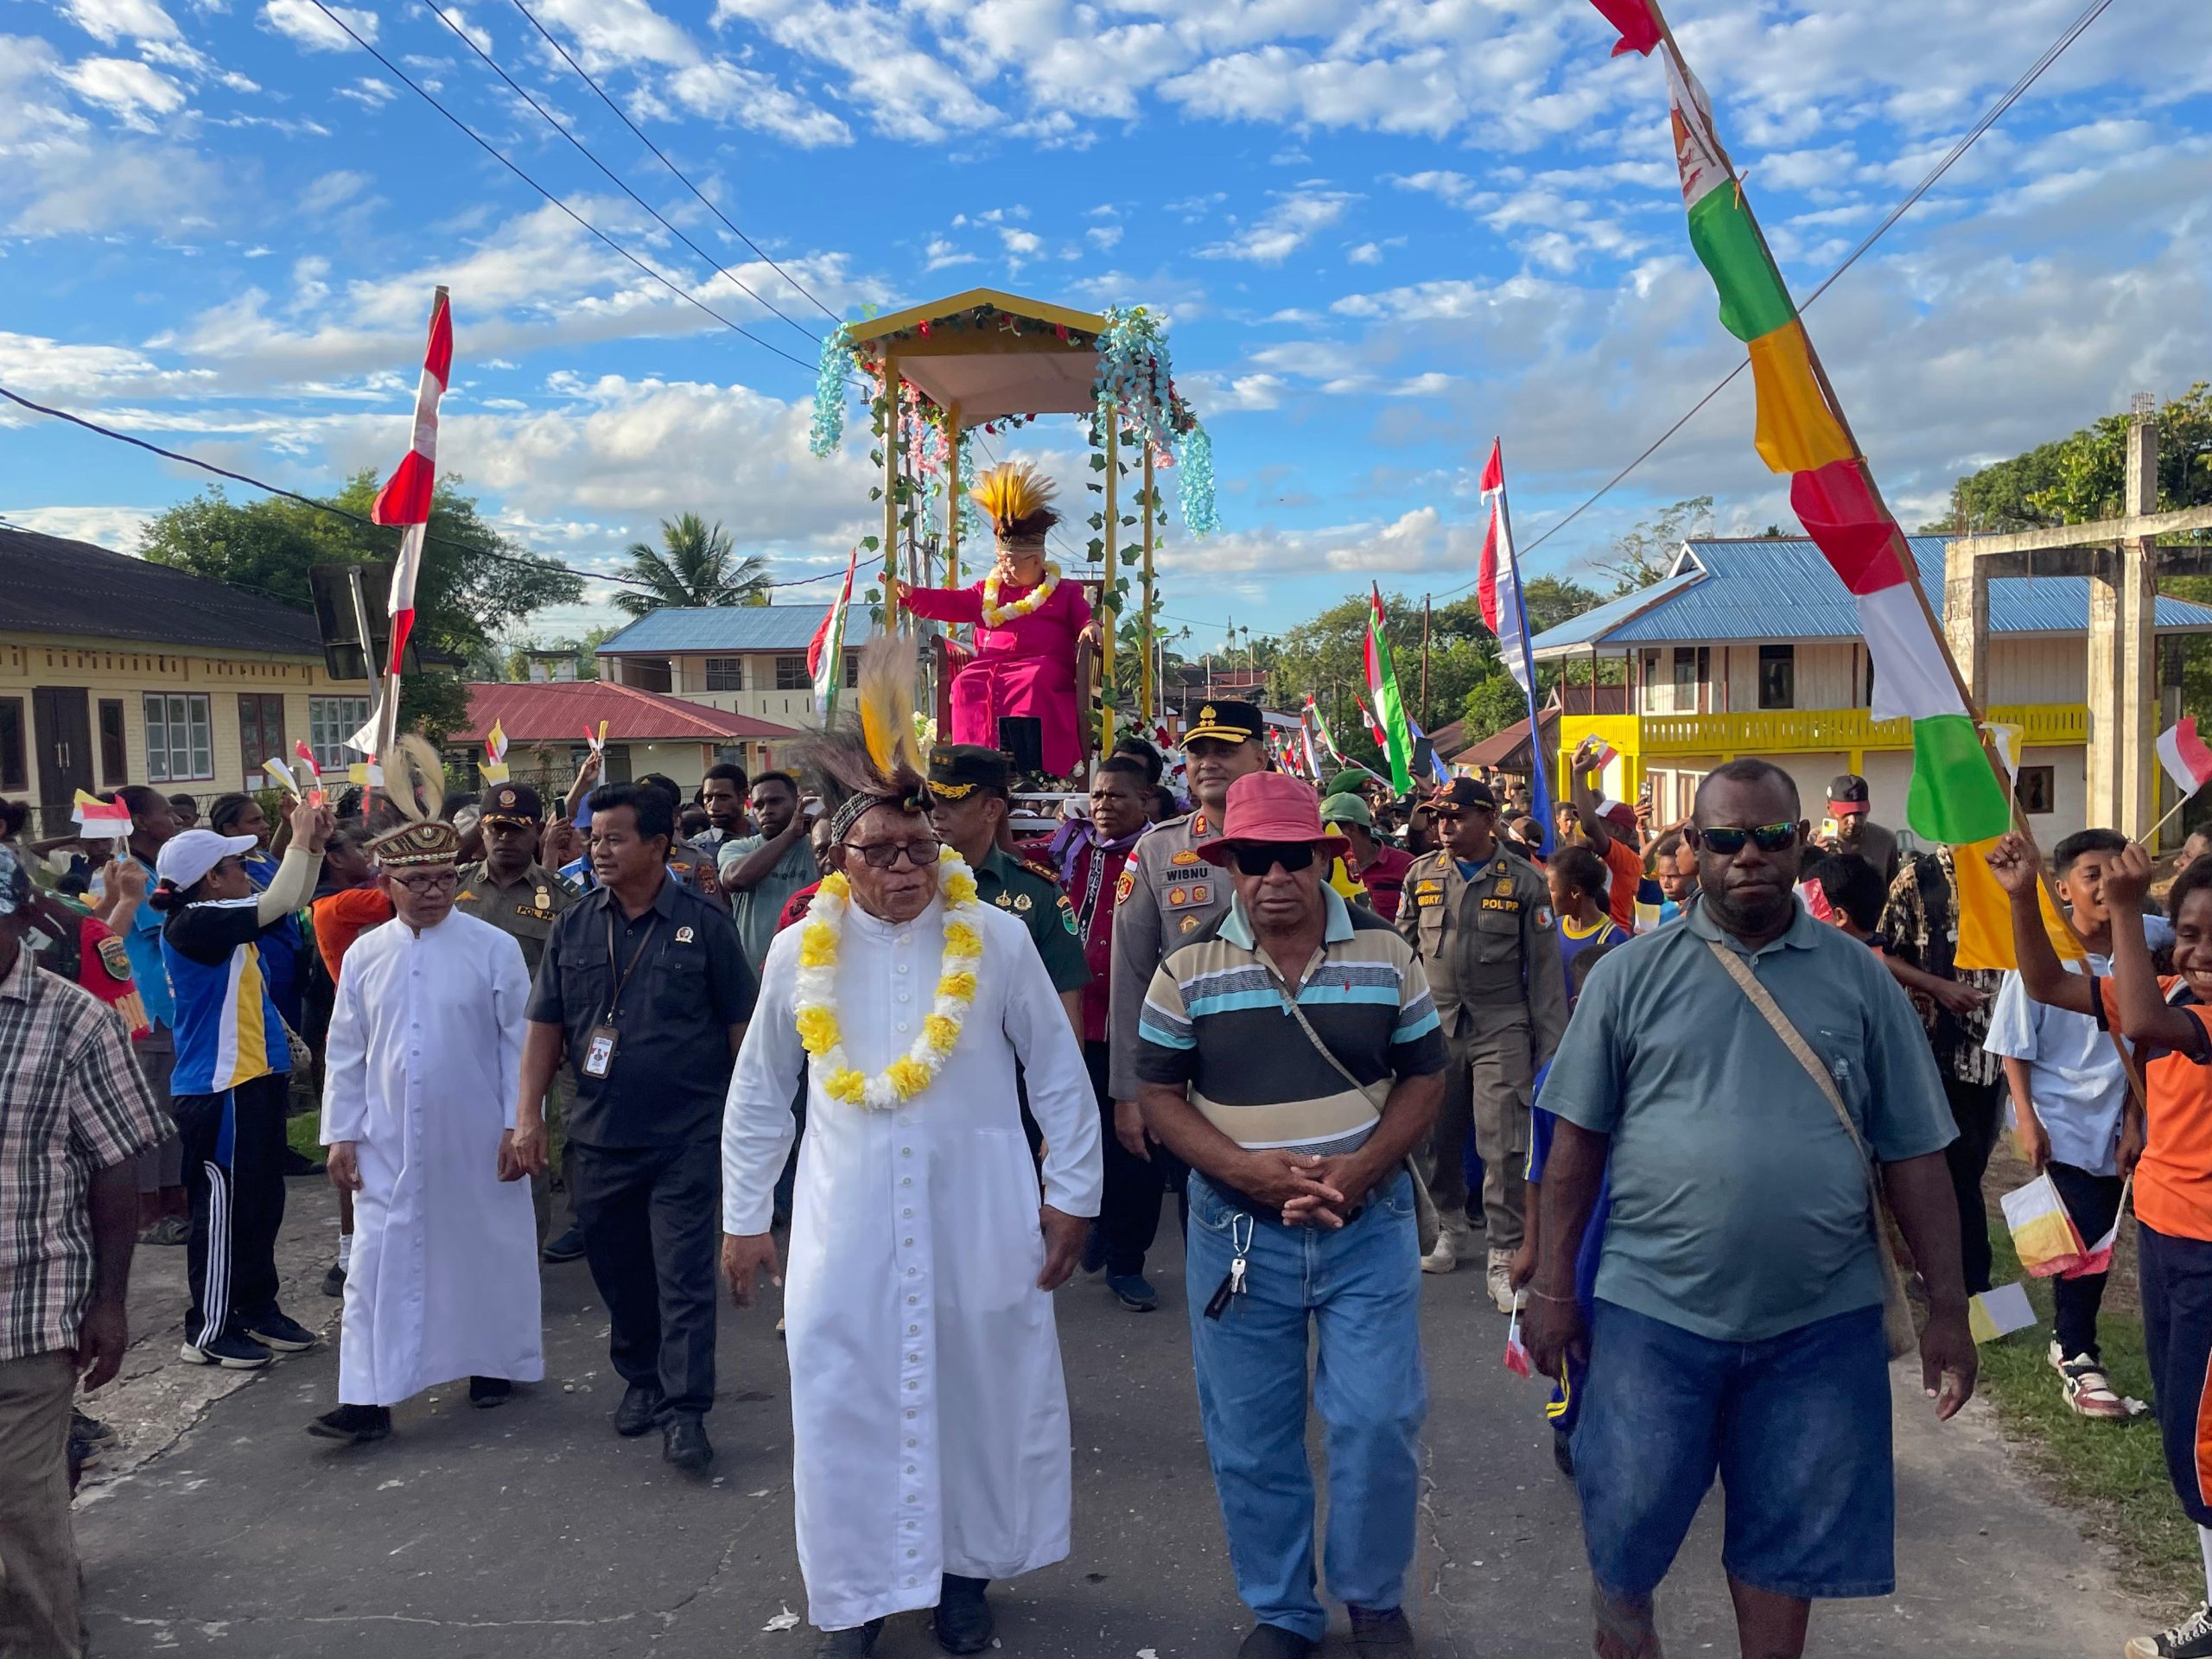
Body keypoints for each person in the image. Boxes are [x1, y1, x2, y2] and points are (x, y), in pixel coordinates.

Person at [1529, 759, 1974, 1659]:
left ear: (1802, 841)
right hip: (1652, 1311)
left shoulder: (1861, 981)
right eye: (1725, 838)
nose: (1748, 857)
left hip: (1820, 1321)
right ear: (1692, 849)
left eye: (1770, 836)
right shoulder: (1627, 976)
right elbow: (1574, 1145)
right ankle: (1625, 1633)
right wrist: (1548, 1287)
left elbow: (1916, 1156)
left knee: (1788, 1537)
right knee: (1625, 1521)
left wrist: (1949, 1310)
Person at [720, 688, 1102, 1657]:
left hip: (981, 1212)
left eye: (920, 847)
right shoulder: (799, 951)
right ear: (834, 861)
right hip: (842, 1222)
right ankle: (854, 1597)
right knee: (844, 1398)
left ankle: (962, 1579)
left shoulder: (999, 939)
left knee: (975, 1396)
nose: (904, 867)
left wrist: (1072, 1200)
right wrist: (743, 1217)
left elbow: (1059, 1078)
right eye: (879, 852)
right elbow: (761, 1092)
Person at [1135, 772, 1445, 1659]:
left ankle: (1372, 1598)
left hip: (1365, 1229)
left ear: (1325, 859)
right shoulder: (1185, 965)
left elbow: (1425, 1074)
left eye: (1292, 858)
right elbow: (1157, 1094)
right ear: (1230, 867)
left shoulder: (1387, 954)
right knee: (1251, 1438)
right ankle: (1282, 1610)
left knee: (1379, 1419)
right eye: (1254, 860)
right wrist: (1247, 1173)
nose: (1275, 877)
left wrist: (1360, 1171)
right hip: (1238, 1238)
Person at [1991, 837, 2212, 1658]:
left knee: (2202, 1438)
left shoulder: (2182, 1004)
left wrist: (2123, 906)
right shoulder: (2171, 984)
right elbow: (2047, 986)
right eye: (2187, 932)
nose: (2199, 952)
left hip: (2206, 1249)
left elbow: (2150, 1024)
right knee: (2186, 1425)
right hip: (2165, 1233)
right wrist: (2021, 899)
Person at [511, 782, 755, 1473]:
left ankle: (686, 1411)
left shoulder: (705, 924)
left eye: (615, 838)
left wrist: (752, 1125)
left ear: (658, 844)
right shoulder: (576, 924)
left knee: (682, 1274)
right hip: (597, 1134)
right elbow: (545, 1027)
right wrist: (528, 1117)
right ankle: (641, 1378)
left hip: (686, 1135)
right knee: (619, 1272)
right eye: (595, 839)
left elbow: (743, 1028)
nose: (600, 850)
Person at [307, 819, 541, 1444]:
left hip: (476, 1133)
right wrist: (341, 1133)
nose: (433, 892)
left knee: (481, 1247)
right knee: (375, 1264)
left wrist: (517, 1124)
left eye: (443, 879)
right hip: (384, 1139)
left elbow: (520, 1042)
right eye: (416, 881)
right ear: (388, 883)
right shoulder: (365, 952)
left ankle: (491, 1364)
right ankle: (366, 1397)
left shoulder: (492, 946)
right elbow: (348, 1048)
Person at [0, 839, 169, 1659]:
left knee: (20, 1520)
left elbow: (115, 1168)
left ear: (20, 920)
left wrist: (109, 1302)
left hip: (26, 1318)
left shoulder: (75, 1019)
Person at [1980, 829, 2157, 1422]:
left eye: (2117, 871)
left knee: (2076, 1243)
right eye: (2091, 875)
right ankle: (2076, 1351)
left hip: (2113, 1123)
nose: (2106, 885)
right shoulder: (2041, 960)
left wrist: (2134, 1122)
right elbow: (2012, 1047)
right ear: (2063, 888)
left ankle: (1998, 1319)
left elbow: (2144, 1048)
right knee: (2077, 1241)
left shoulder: (2142, 954)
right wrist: (2026, 1118)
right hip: (2058, 1120)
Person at [153, 800, 331, 1370]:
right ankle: (208, 1327)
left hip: (253, 1081)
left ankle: (257, 1308)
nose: (246, 870)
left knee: (260, 1205)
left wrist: (315, 844)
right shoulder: (195, 923)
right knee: (223, 1212)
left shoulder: (218, 918)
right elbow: (281, 898)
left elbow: (291, 900)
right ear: (211, 879)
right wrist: (301, 837)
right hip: (219, 1089)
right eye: (236, 865)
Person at [1396, 776, 1567, 1304]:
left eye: (1457, 817)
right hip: (1436, 1026)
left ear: (1488, 819)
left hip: (1502, 1026)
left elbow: (1543, 973)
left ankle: (1504, 1251)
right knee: (1436, 1137)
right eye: (1439, 818)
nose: (1444, 827)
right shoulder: (1420, 875)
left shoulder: (1523, 881)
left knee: (1503, 1143)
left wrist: (1552, 1049)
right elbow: (1400, 955)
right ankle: (1450, 1226)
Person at [1109, 701, 1273, 1216]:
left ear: (1261, 757)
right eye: (1198, 751)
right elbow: (1131, 975)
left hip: (1287, 1056)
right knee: (1204, 1208)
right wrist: (1129, 1091)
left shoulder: (1302, 840)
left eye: (1224, 749)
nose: (1208, 762)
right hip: (1191, 1065)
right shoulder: (1157, 850)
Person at [896, 461, 1103, 779]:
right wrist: (912, 595)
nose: (1005, 568)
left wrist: (1091, 626)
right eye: (1000, 560)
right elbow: (952, 602)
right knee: (965, 682)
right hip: (990, 665)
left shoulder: (1065, 592)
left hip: (1043, 667)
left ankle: (1033, 774)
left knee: (1033, 682)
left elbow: (1084, 618)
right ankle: (974, 770)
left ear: (1036, 560)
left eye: (1013, 562)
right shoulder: (988, 591)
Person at [453, 782, 583, 1261]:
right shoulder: (453, 887)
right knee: (471, 1142)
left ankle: (528, 1255)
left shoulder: (564, 898)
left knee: (538, 1139)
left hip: (539, 1041)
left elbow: (574, 973)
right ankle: (472, 1253)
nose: (505, 838)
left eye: (517, 829)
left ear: (538, 832)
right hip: (465, 1042)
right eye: (496, 828)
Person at [1061, 754, 1164, 1310]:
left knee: (1137, 1149)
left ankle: (1129, 1261)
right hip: (1078, 1027)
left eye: (1117, 796)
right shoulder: (1073, 852)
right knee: (1083, 1139)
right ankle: (1095, 1228)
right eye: (1097, 796)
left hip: (1139, 1028)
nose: (1103, 806)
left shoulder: (1162, 855)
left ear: (1145, 800)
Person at [1881, 845, 2005, 1295]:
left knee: (1970, 1169)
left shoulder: (2009, 871)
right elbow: (1882, 954)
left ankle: (1945, 1273)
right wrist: (1939, 988)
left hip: (1998, 1054)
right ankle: (1970, 1284)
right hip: (1937, 1050)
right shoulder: (1919, 879)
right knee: (1955, 1172)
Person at [926, 746, 1090, 1033]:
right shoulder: (909, 884)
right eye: (931, 800)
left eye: (952, 801)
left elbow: (1065, 1009)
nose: (936, 813)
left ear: (991, 809)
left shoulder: (1038, 893)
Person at [308, 824, 386, 1296]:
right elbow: (413, 888)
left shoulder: (343, 898)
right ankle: (349, 1255)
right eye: (365, 850)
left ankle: (350, 1252)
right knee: (355, 1151)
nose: (374, 859)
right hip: (365, 1037)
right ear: (336, 860)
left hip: (370, 1031)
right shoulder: (341, 904)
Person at [109, 786, 188, 1243]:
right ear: (138, 821)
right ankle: (145, 1212)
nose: (175, 819)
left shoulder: (158, 869)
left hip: (172, 1004)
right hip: (146, 1003)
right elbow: (158, 921)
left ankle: (174, 1198)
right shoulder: (128, 873)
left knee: (172, 1107)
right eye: (164, 813)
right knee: (150, 1109)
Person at [719, 772, 823, 977]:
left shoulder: (817, 848)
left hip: (811, 977)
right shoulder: (737, 848)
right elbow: (736, 880)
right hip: (751, 982)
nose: (766, 811)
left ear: (797, 803)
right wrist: (790, 834)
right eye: (758, 805)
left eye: (775, 802)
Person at [1566, 740, 1642, 931]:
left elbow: (1589, 826)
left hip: (1612, 939)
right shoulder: (1601, 854)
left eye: (1601, 822)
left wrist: (1579, 774)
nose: (1590, 826)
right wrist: (1577, 768)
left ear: (1618, 830)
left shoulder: (1626, 859)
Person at [1323, 793, 1413, 921]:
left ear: (1351, 828)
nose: (1324, 835)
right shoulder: (1321, 869)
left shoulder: (1406, 865)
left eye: (1329, 828)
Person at [1548, 845, 1629, 978]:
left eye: (1552, 889)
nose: (1546, 895)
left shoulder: (1614, 940)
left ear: (1575, 892)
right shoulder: (1552, 929)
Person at [1821, 773, 1901, 887]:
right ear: (1829, 809)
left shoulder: (1886, 842)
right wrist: (1815, 860)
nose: (1853, 820)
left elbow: (1894, 894)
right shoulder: (1813, 841)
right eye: (1846, 813)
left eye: (1859, 813)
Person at [697, 761, 752, 849]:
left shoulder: (767, 837)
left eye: (723, 797)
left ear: (744, 795)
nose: (713, 806)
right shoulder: (696, 848)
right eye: (708, 798)